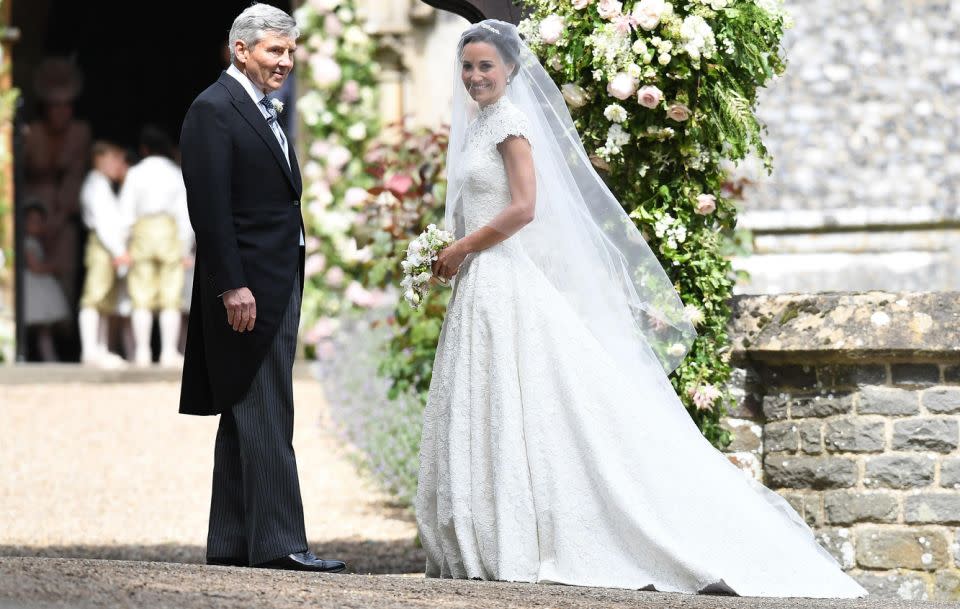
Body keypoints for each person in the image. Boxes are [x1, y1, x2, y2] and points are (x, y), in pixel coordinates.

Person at [414, 20, 868, 598]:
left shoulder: (510, 123)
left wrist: (461, 247)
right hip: (479, 282)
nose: (475, 75)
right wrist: (449, 250)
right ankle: (487, 535)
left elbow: (526, 207)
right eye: (469, 66)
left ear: (510, 71)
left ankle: (542, 534)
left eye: (486, 66)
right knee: (494, 398)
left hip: (500, 275)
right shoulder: (479, 125)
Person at [178, 3, 345, 573]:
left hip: (274, 281)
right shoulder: (213, 109)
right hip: (250, 289)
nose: (286, 62)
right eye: (275, 50)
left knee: (247, 408)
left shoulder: (256, 107)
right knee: (269, 408)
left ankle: (231, 542)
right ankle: (279, 543)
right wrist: (232, 287)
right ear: (240, 50)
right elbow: (210, 209)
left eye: (291, 52)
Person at [118, 126, 193, 367]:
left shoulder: (135, 173)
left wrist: (123, 245)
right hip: (169, 232)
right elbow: (185, 214)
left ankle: (142, 352)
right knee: (171, 295)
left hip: (142, 232)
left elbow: (125, 211)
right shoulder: (175, 173)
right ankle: (168, 352)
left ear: (144, 149)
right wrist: (185, 247)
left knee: (141, 294)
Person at [22, 57, 91, 309]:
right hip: (32, 208)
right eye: (55, 106)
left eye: (66, 105)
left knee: (64, 270)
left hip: (64, 213)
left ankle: (64, 333)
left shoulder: (79, 132)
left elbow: (75, 173)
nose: (61, 111)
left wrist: (60, 215)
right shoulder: (33, 133)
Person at [77, 140, 130, 368]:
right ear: (101, 161)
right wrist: (118, 250)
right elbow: (103, 223)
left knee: (104, 301)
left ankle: (99, 348)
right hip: (103, 245)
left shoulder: (102, 185)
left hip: (108, 246)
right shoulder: (96, 185)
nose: (118, 165)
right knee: (94, 297)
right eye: (114, 160)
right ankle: (90, 350)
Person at [22, 201, 71, 361]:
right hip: (33, 287)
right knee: (39, 327)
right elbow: (35, 267)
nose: (37, 226)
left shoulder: (36, 242)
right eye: (32, 222)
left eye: (39, 222)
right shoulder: (27, 243)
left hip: (39, 287)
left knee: (44, 328)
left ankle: (49, 357)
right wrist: (52, 268)